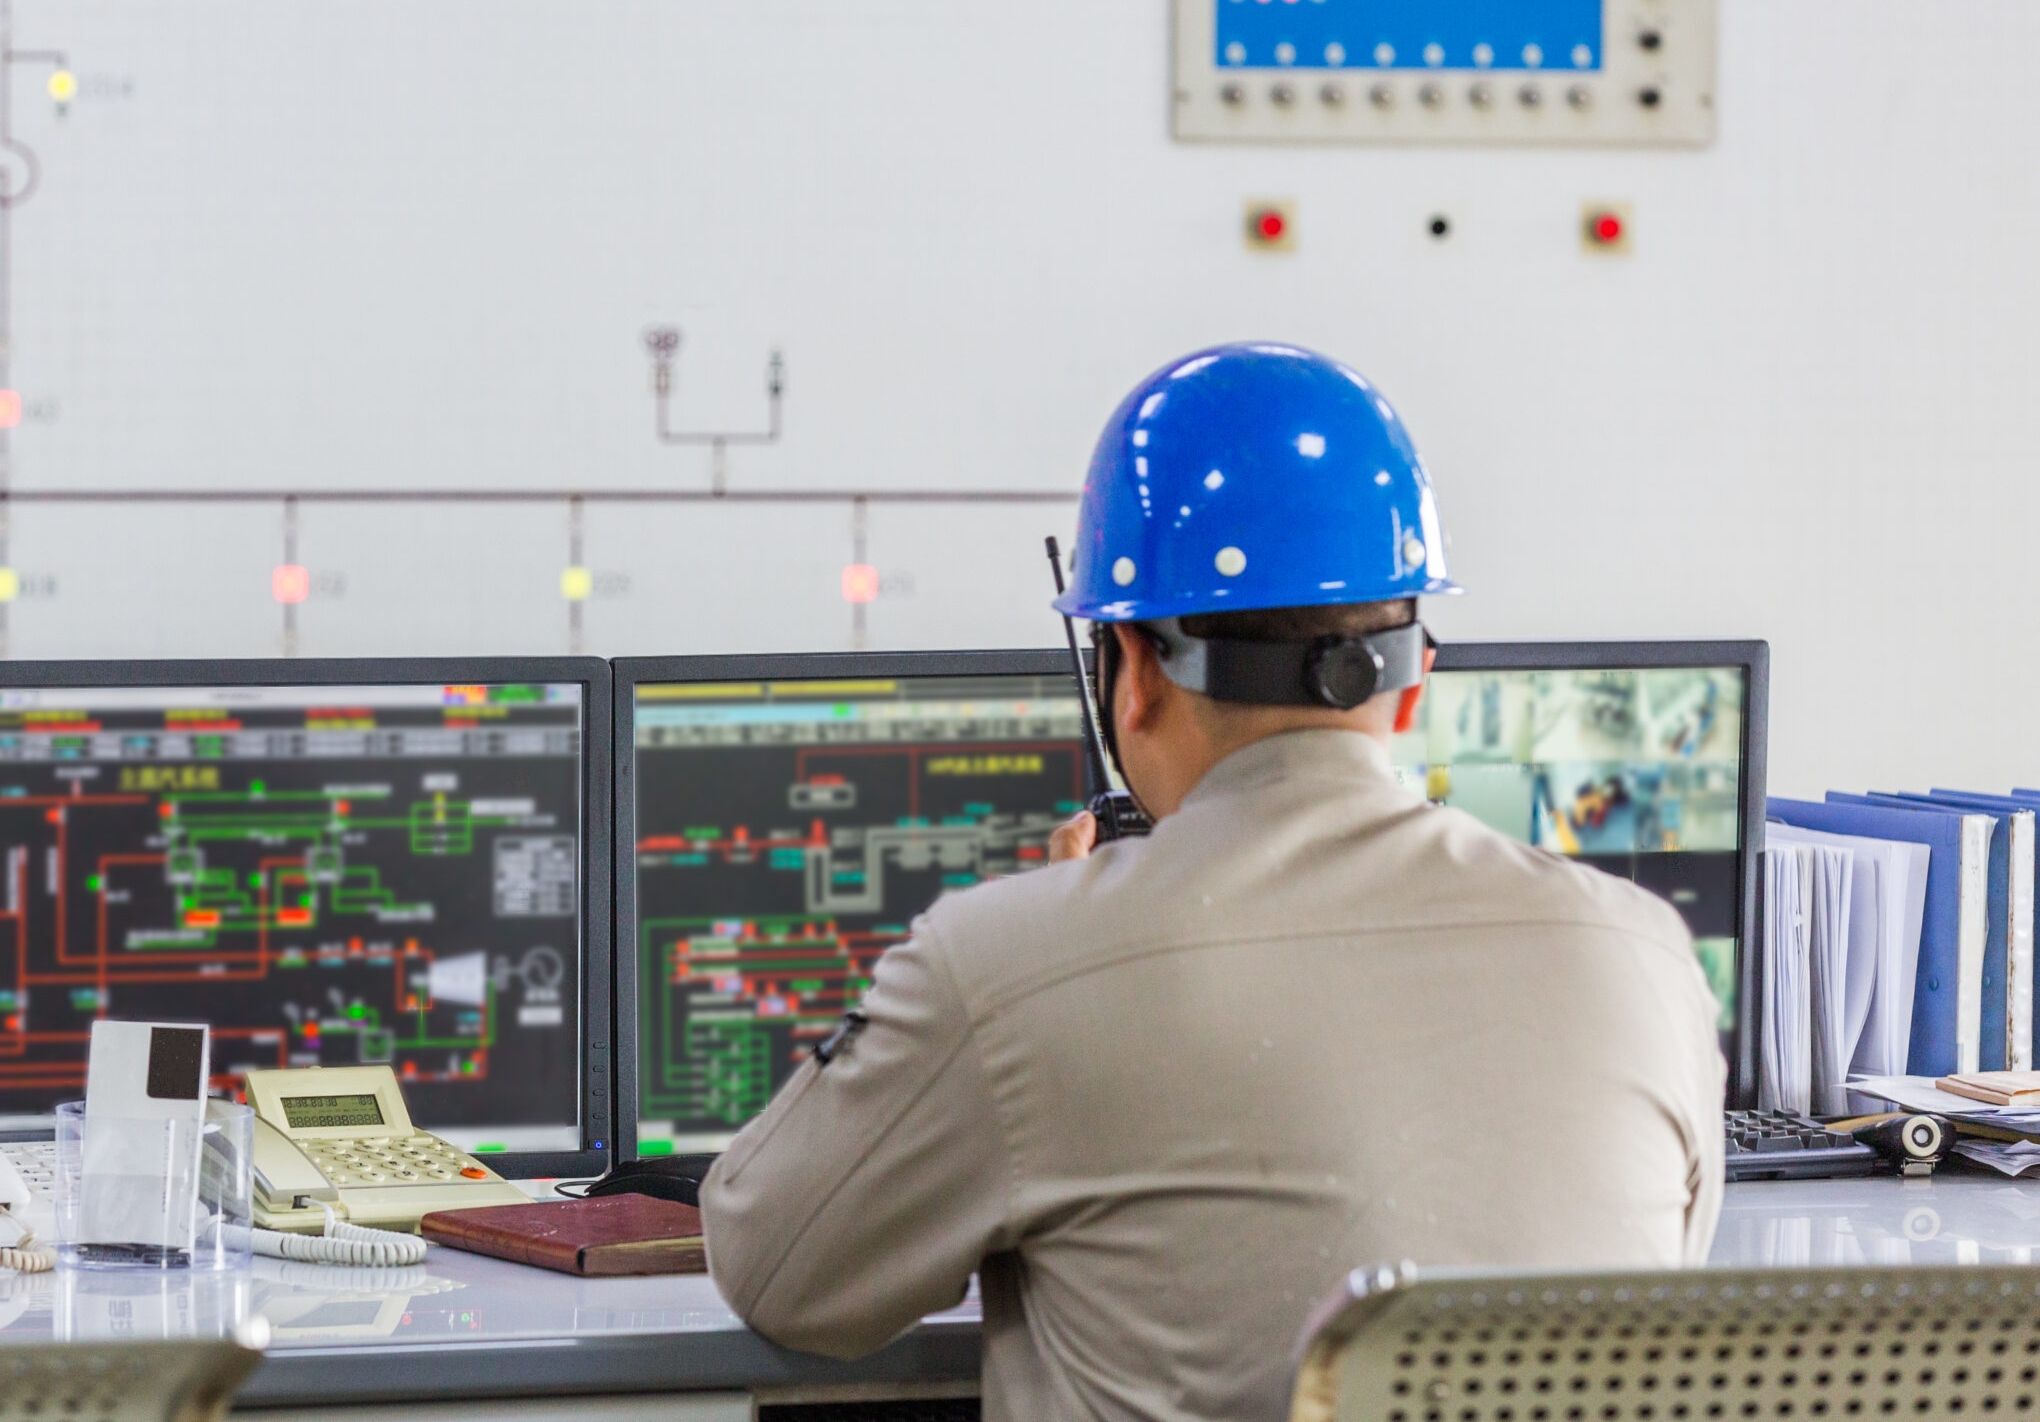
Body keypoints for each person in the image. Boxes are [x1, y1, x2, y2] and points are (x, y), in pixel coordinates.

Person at [700, 342, 1724, 1422]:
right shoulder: (1643, 953)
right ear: (1415, 678)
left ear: (1131, 674)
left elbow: (780, 1277)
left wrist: (1040, 948)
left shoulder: (1014, 967)